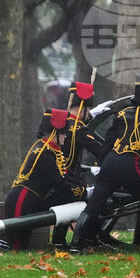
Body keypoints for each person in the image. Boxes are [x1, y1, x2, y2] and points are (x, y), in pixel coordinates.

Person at [70, 72, 140, 253]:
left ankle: (76, 244)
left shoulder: (122, 113)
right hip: (130, 166)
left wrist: (103, 164)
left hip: (110, 163)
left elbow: (108, 142)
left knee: (94, 204)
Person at [2, 108, 82, 250]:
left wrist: (82, 187)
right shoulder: (44, 154)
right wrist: (84, 192)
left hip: (29, 201)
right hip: (22, 201)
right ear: (54, 132)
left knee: (20, 245)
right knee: (15, 246)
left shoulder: (49, 150)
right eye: (63, 132)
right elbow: (59, 182)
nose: (65, 136)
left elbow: (64, 176)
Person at [50, 81, 103, 249]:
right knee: (97, 198)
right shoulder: (79, 129)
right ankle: (86, 239)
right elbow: (99, 149)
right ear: (82, 107)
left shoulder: (63, 121)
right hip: (67, 181)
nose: (89, 114)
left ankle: (59, 240)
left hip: (57, 177)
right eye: (87, 109)